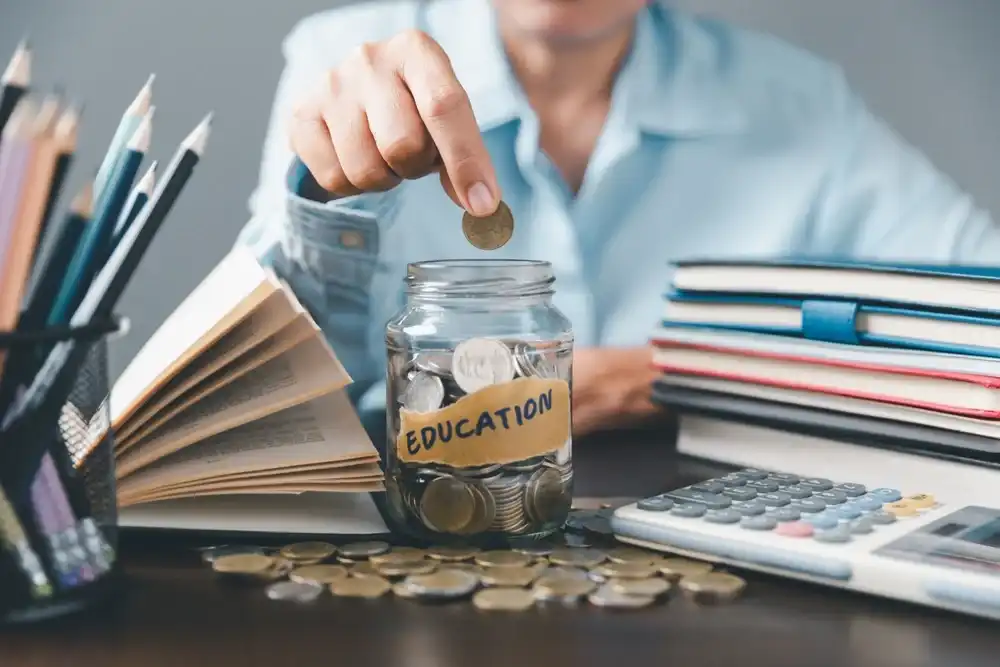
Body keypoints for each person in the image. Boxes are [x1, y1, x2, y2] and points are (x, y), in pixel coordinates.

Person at [236, 0, 999, 438]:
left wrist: (684, 372)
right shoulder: (342, 65)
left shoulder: (800, 103)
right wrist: (330, 197)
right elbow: (253, 404)